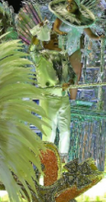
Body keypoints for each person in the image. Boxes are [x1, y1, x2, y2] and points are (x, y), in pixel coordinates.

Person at [30, 26, 76, 162]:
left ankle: (63, 161)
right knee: (49, 132)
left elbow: (72, 73)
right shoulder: (40, 57)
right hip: (49, 98)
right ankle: (48, 163)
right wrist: (38, 32)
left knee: (65, 131)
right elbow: (32, 48)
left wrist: (71, 81)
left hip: (63, 97)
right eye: (52, 37)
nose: (55, 39)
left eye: (56, 37)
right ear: (45, 41)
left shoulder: (63, 56)